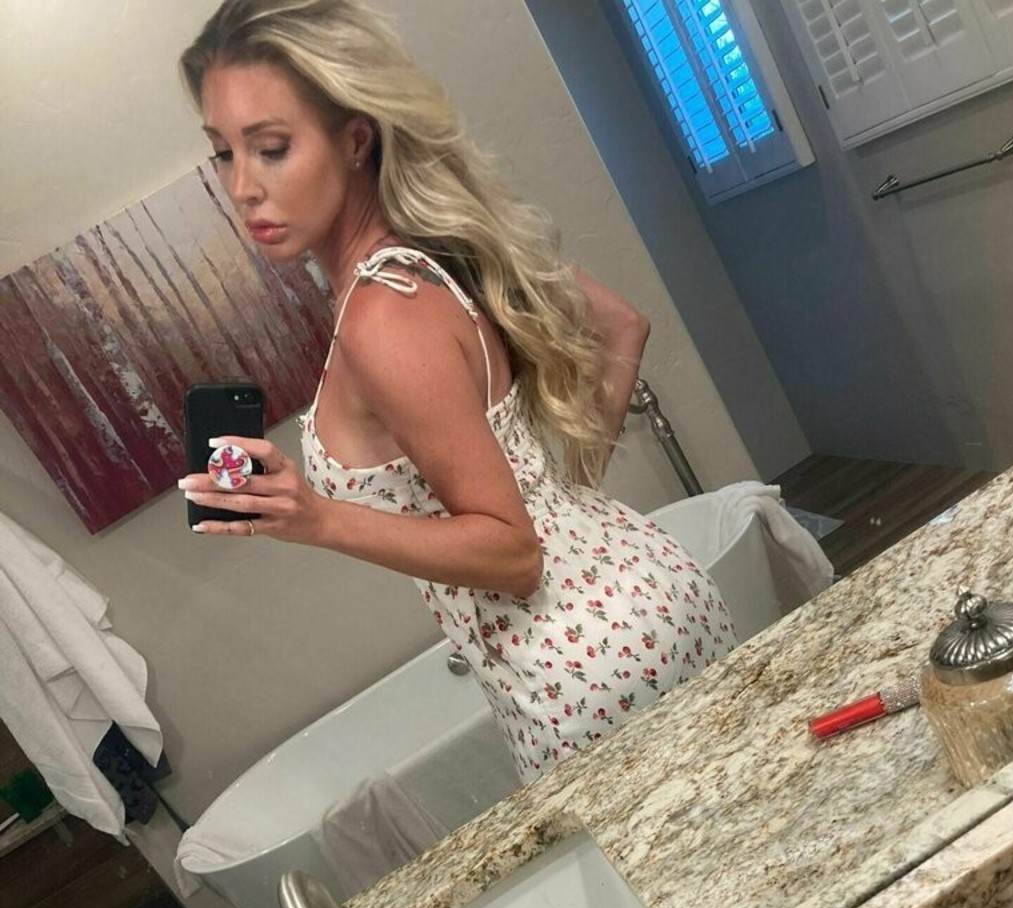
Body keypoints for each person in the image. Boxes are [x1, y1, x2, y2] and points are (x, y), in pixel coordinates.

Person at [178, 0, 736, 782]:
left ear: (355, 139)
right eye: (222, 154)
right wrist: (564, 498)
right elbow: (623, 326)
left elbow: (514, 553)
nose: (242, 186)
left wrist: (317, 517)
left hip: (575, 665)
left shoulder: (382, 313)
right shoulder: (435, 252)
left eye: (270, 148)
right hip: (638, 589)